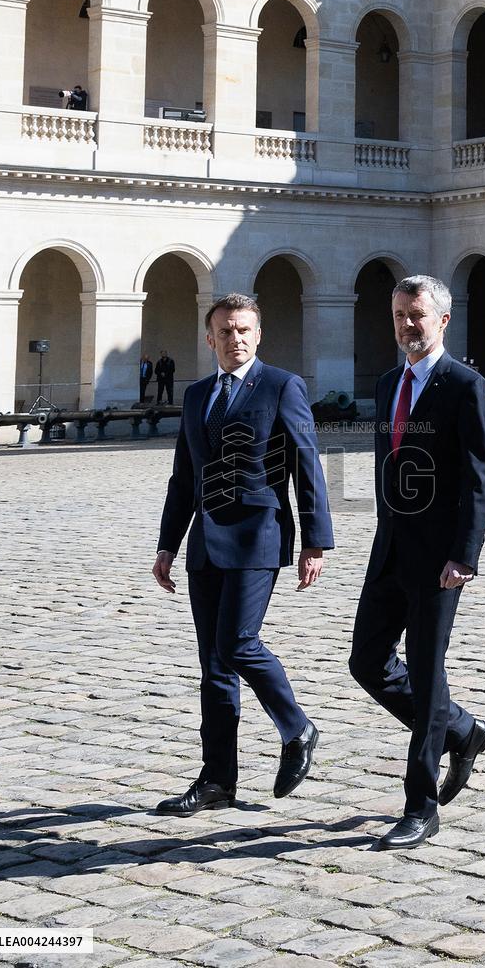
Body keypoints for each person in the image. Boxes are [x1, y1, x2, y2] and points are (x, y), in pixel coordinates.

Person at [152, 293, 334, 816]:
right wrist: (168, 543)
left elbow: (306, 464)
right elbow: (183, 476)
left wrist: (314, 540)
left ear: (258, 335)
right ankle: (217, 779)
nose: (236, 338)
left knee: (237, 642)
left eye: (245, 329)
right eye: (227, 330)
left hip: (259, 536)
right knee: (213, 664)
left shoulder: (282, 385)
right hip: (205, 543)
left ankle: (296, 727)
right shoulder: (197, 395)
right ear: (210, 338)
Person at [349, 275, 485, 850]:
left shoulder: (467, 386)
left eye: (417, 315)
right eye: (399, 315)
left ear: (443, 319)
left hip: (440, 559)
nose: (407, 325)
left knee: (427, 672)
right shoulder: (390, 383)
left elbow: (480, 478)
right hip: (390, 548)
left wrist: (465, 555)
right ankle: (462, 730)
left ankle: (421, 806)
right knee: (367, 661)